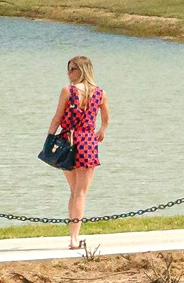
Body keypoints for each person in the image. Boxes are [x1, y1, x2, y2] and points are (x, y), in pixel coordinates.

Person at [46, 55, 108, 250]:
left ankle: (73, 237)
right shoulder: (100, 93)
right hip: (88, 141)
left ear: (82, 70)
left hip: (68, 139)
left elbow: (57, 117)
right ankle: (74, 236)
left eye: (72, 69)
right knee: (79, 192)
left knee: (75, 191)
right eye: (68, 69)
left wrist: (49, 140)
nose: (68, 73)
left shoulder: (68, 91)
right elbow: (106, 119)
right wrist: (100, 133)